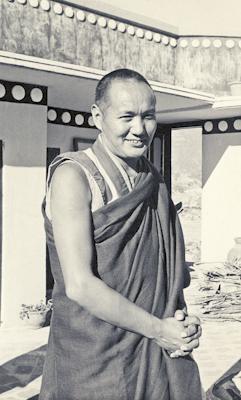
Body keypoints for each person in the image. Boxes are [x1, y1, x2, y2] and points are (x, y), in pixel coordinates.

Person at [39, 68, 202, 400]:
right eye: (127, 116)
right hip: (93, 359)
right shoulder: (74, 177)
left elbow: (167, 275)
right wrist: (160, 331)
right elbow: (80, 285)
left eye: (149, 117)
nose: (139, 130)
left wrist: (181, 321)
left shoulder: (152, 181)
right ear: (98, 116)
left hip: (153, 354)